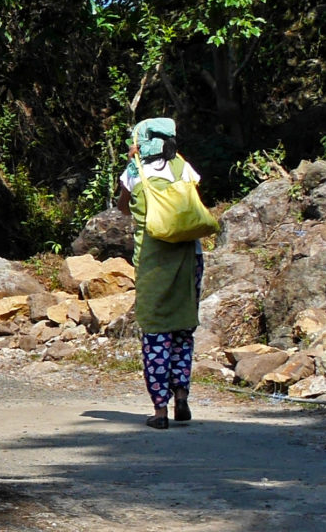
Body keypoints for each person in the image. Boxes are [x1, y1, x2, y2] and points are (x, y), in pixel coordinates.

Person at [116, 117, 204, 430]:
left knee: (156, 333)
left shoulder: (133, 173)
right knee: (182, 328)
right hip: (189, 257)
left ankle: (160, 410)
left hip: (153, 261)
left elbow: (123, 207)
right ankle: (181, 395)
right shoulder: (183, 168)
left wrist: (133, 162)